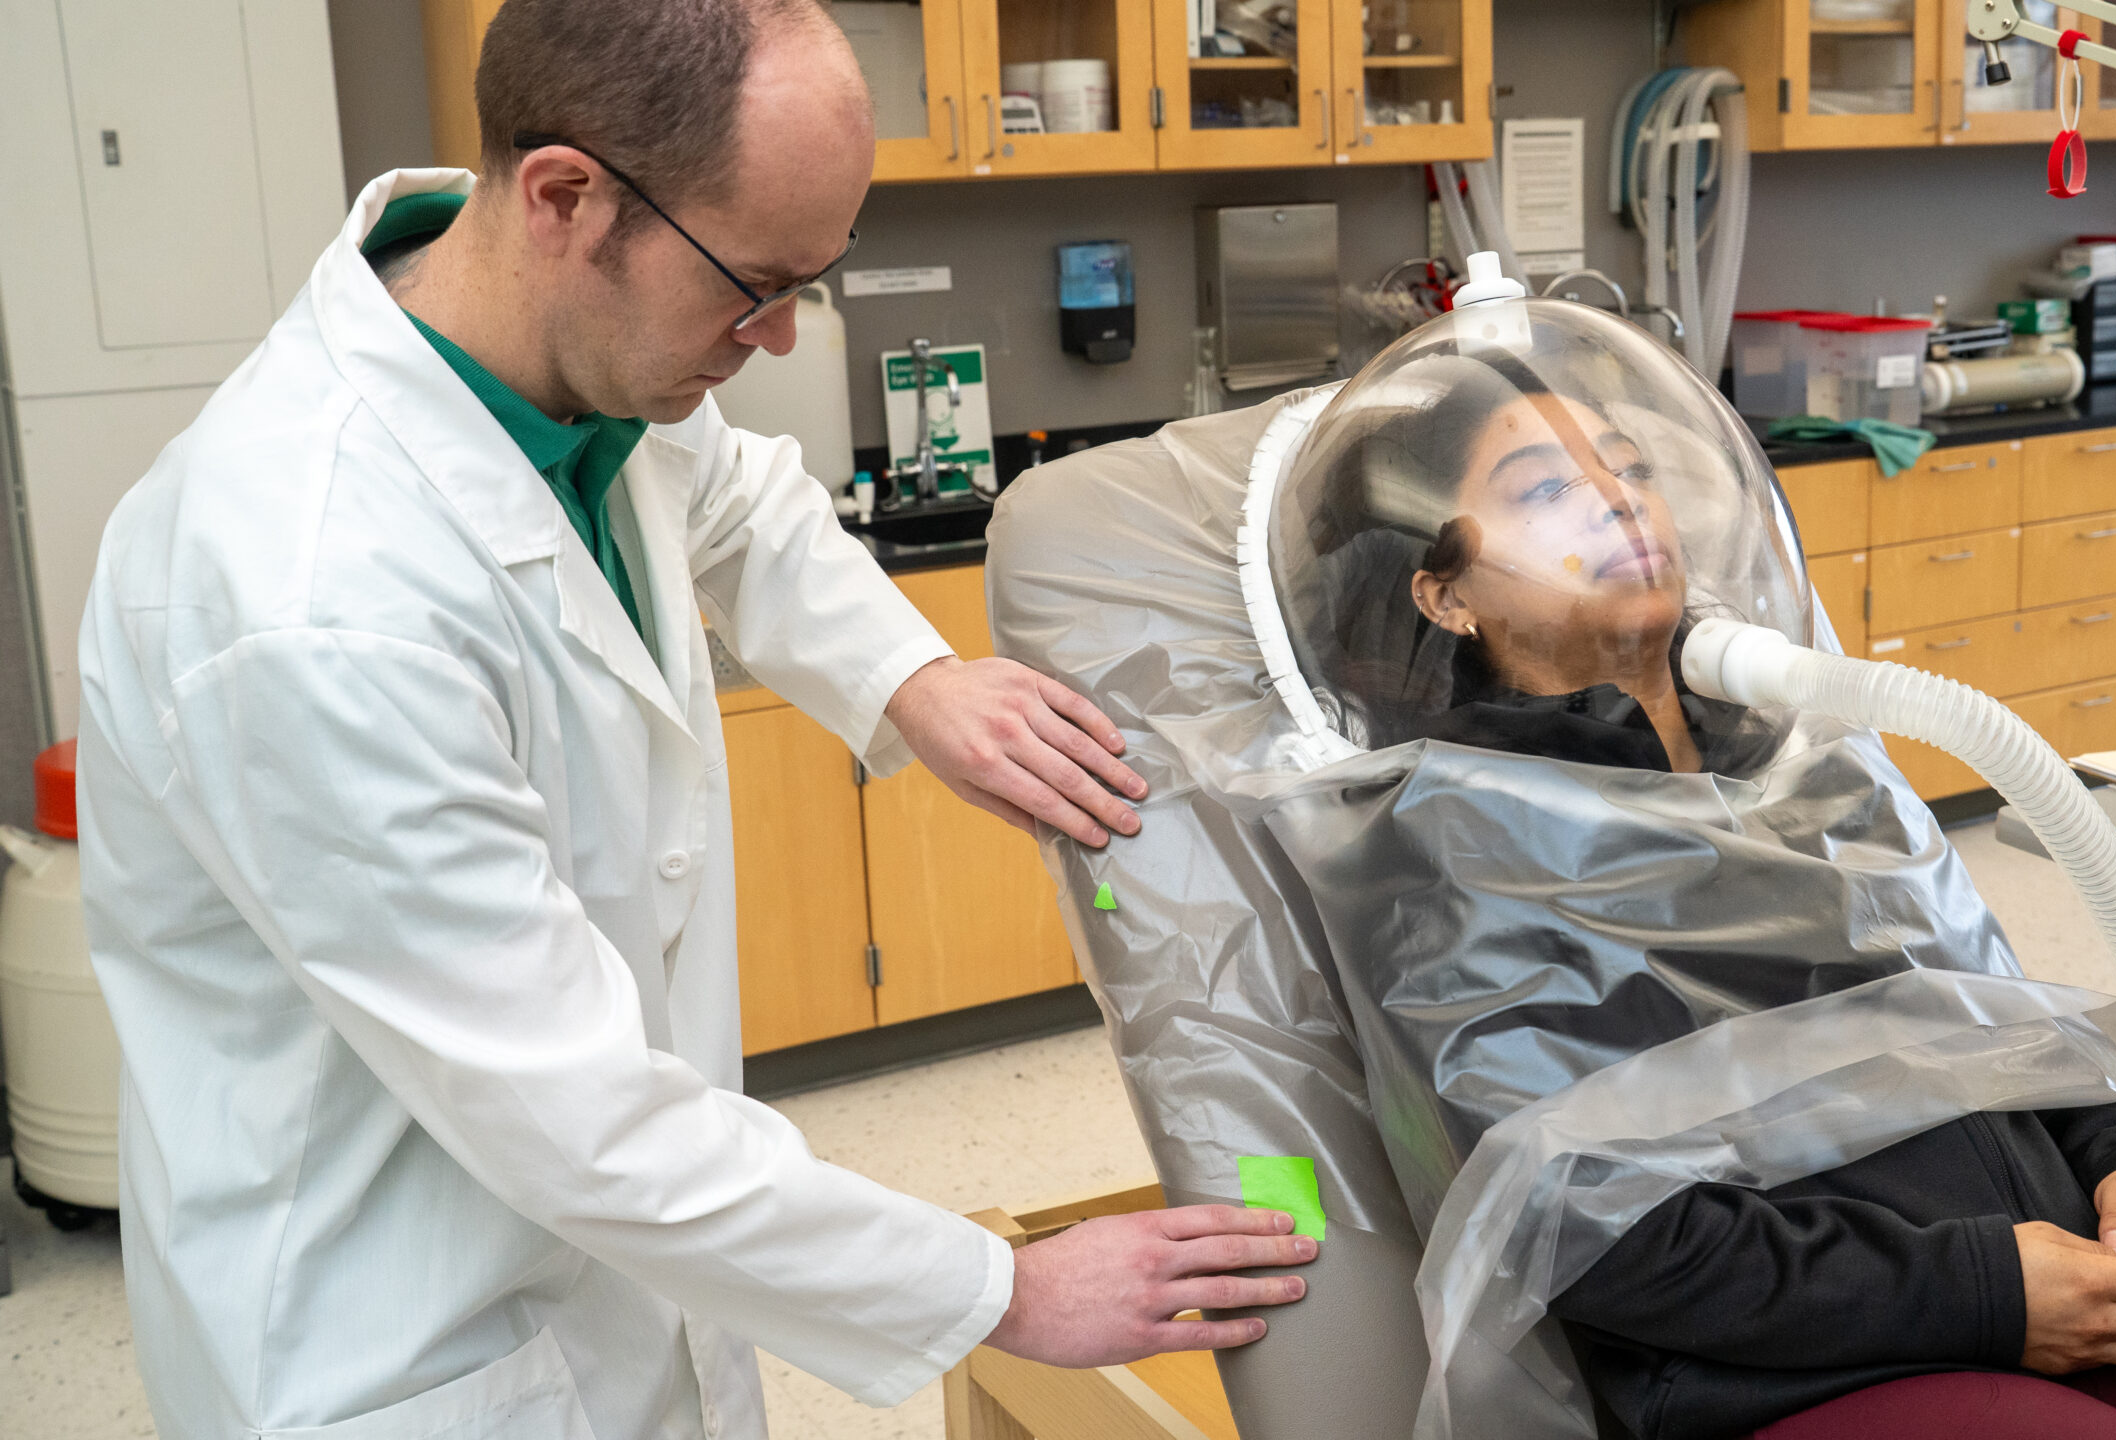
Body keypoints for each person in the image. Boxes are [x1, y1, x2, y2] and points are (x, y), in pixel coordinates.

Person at [76, 2, 1311, 1436]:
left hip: (611, 1285)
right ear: (563, 198)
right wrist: (1000, 1293)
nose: (780, 336)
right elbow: (578, 1119)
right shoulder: (309, 600)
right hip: (402, 1349)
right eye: (757, 285)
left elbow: (736, 497)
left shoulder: (575, 360)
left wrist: (920, 684)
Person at [1285, 339, 2116, 1440]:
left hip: (2083, 1278)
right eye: (1545, 488)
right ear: (1441, 591)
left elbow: (2001, 1028)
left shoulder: (1805, 770)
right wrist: (1989, 1295)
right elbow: (1597, 1240)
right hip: (1811, 1374)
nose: (1619, 505)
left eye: (1629, 466)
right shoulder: (1447, 847)